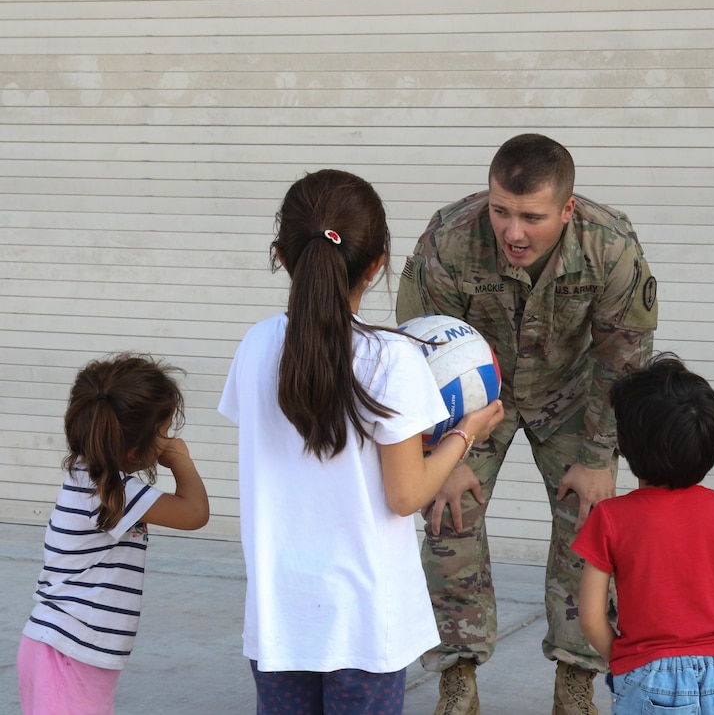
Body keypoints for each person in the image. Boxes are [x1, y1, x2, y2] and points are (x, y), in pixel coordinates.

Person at [218, 169, 504, 715]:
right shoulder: (392, 359)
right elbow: (405, 495)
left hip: (281, 618)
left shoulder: (255, 347)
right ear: (377, 265)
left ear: (281, 254)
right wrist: (468, 432)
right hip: (363, 624)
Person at [396, 133, 658, 714]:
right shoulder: (450, 237)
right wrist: (447, 455)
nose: (514, 232)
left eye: (532, 217)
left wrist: (597, 457)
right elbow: (416, 352)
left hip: (574, 395)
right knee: (447, 518)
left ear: (567, 209)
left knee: (590, 530)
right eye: (501, 212)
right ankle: (457, 678)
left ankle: (576, 680)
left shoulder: (609, 246)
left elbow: (622, 359)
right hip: (474, 402)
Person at [17, 353, 210, 715]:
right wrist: (182, 460)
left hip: (67, 649)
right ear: (135, 450)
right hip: (69, 652)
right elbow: (195, 513)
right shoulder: (115, 492)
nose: (169, 440)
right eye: (165, 433)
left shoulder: (89, 476)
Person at [572, 353, 714, 715]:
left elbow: (592, 618)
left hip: (650, 679)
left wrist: (628, 662)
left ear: (626, 445)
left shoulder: (610, 517)